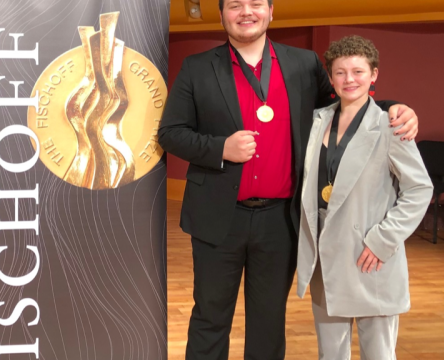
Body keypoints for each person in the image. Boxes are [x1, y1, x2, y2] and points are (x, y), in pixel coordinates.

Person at [157, 0, 421, 359]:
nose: (246, 12)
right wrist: (220, 148)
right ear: (221, 15)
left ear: (271, 11)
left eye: (255, 3)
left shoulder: (304, 63)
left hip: (281, 221)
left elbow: (347, 103)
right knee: (210, 317)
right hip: (217, 218)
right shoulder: (197, 67)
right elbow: (171, 133)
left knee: (268, 321)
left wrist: (394, 107)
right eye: (235, 5)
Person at [296, 35, 432, 359]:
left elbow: (420, 189)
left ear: (374, 75)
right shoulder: (316, 122)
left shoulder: (390, 125)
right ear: (330, 78)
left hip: (369, 256)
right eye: (340, 73)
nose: (349, 80)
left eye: (358, 71)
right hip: (326, 259)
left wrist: (383, 240)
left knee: (379, 355)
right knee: (330, 355)